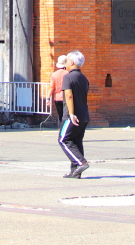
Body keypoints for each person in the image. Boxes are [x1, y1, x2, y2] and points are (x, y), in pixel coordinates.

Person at [59, 50, 91, 178]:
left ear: (71, 62)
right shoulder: (83, 78)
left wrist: (71, 113)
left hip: (72, 115)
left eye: (66, 61)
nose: (65, 64)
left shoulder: (68, 77)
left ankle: (81, 162)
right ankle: (75, 171)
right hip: (84, 114)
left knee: (64, 140)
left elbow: (69, 95)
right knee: (76, 141)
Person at [49, 55, 68, 124]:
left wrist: (48, 98)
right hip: (66, 97)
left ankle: (60, 129)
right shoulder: (68, 74)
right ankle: (65, 130)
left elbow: (51, 87)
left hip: (57, 98)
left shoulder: (54, 74)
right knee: (66, 116)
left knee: (60, 115)